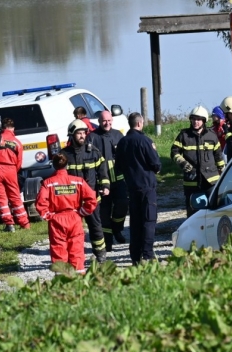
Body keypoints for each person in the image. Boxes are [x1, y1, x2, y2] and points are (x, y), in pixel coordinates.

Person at [35, 153, 97, 274]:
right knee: (77, 250)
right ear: (67, 166)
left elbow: (40, 203)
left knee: (58, 250)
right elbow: (92, 199)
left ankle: (62, 281)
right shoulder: (78, 181)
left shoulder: (48, 183)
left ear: (53, 165)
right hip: (74, 218)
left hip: (56, 220)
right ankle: (79, 281)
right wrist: (81, 213)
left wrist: (48, 216)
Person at [115, 112, 161, 265]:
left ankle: (135, 256)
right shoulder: (145, 141)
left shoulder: (122, 143)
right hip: (147, 187)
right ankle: (147, 254)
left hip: (132, 188)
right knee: (148, 220)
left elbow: (118, 168)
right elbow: (156, 165)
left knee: (135, 222)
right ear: (140, 123)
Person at [61, 119, 109, 263]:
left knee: (96, 227)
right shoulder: (64, 155)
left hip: (91, 200)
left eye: (84, 133)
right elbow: (59, 178)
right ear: (71, 135)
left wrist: (105, 187)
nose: (82, 136)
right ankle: (74, 257)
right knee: (72, 231)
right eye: (79, 134)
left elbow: (103, 173)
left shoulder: (94, 152)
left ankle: (100, 255)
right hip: (72, 202)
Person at [171, 106, 225, 216]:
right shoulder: (184, 135)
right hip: (192, 181)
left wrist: (223, 171)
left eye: (199, 119)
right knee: (193, 213)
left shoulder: (212, 136)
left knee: (214, 210)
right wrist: (183, 163)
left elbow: (218, 156)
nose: (196, 122)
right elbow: (174, 152)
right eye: (194, 119)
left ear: (204, 121)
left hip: (211, 181)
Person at [88, 110, 128, 248]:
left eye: (109, 120)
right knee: (104, 212)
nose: (107, 123)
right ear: (99, 121)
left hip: (118, 179)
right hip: (101, 182)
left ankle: (117, 229)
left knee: (122, 206)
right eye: (104, 121)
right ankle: (108, 241)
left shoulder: (118, 135)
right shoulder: (92, 137)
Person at [0, 118, 30, 232]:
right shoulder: (17, 142)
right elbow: (19, 162)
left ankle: (9, 225)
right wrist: (13, 170)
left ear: (2, 128)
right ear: (13, 128)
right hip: (11, 169)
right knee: (15, 197)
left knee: (0, 198)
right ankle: (24, 224)